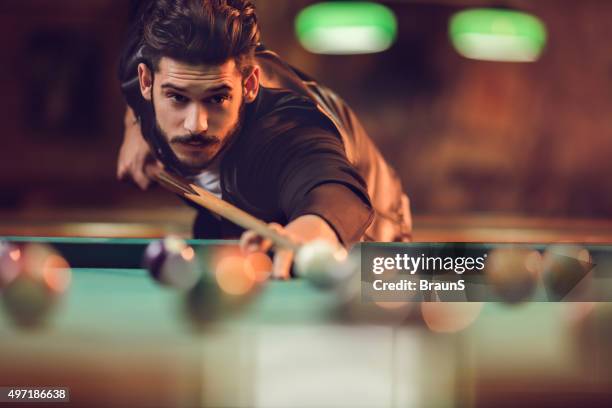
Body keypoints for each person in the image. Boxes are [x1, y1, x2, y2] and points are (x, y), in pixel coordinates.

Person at [117, 0, 412, 278]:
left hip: (366, 248)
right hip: (235, 219)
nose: (197, 125)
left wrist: (308, 231)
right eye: (177, 97)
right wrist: (135, 121)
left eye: (217, 98)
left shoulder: (286, 128)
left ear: (249, 85)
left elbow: (336, 192)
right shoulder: (141, 62)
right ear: (146, 82)